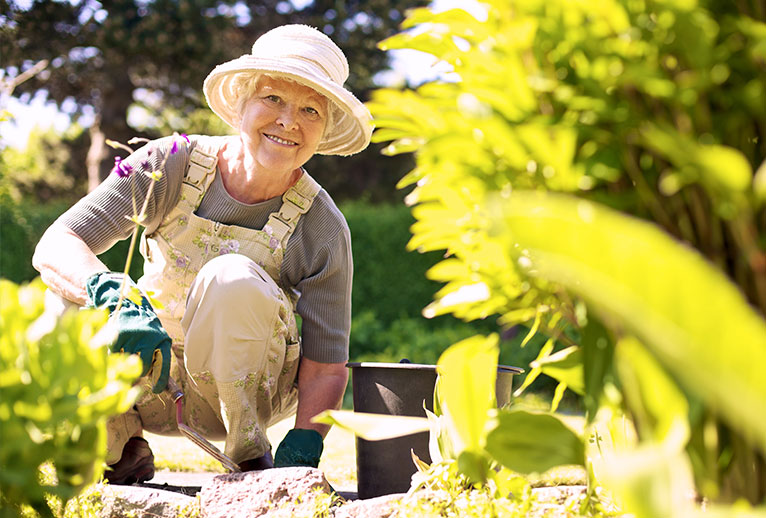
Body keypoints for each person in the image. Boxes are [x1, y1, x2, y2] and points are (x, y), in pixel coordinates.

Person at [32, 24, 372, 484]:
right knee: (59, 301)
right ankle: (118, 445)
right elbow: (58, 244)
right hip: (145, 377)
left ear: (324, 127)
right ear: (241, 105)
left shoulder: (321, 226)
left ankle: (251, 458)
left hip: (244, 399)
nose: (288, 121)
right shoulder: (166, 163)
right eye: (272, 99)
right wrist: (110, 295)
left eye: (310, 109)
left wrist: (306, 441)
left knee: (232, 277)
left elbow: (327, 366)